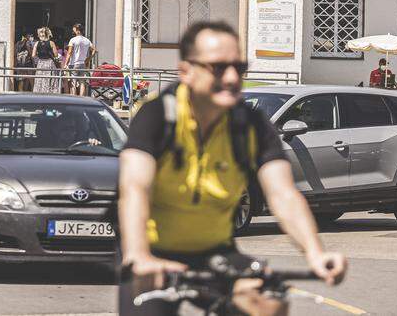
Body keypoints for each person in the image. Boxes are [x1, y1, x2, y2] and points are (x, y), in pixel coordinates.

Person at [118, 21, 346, 315]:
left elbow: (283, 195)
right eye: (217, 67)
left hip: (214, 249)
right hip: (152, 249)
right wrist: (138, 254)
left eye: (238, 68)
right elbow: (135, 187)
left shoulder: (251, 125)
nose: (230, 77)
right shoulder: (157, 115)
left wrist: (315, 254)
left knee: (266, 303)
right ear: (186, 71)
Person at [63, 22, 96, 96]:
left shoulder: (73, 40)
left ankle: (73, 99)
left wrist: (66, 64)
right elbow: (94, 50)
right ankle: (82, 99)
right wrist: (88, 59)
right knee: (82, 82)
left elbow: (69, 52)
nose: (73, 32)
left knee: (73, 82)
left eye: (74, 30)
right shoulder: (87, 40)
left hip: (73, 63)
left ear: (77, 30)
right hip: (82, 64)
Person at [32, 26, 61, 94]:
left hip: (41, 63)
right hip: (49, 63)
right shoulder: (51, 43)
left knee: (40, 80)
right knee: (49, 79)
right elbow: (56, 55)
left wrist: (38, 57)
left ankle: (39, 94)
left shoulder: (37, 43)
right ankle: (50, 94)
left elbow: (33, 55)